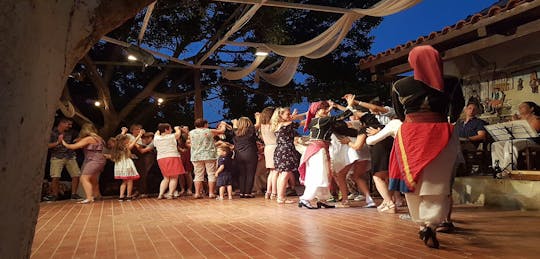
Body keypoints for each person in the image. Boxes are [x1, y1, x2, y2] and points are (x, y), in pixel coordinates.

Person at [389, 45, 464, 249]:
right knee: (437, 182)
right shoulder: (452, 82)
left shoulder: (399, 84)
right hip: (441, 132)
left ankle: (422, 226)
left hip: (410, 134)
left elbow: (399, 113)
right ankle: (431, 223)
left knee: (412, 179)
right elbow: (456, 109)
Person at [297, 95, 355, 209]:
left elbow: (325, 117)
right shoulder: (323, 120)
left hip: (315, 150)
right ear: (317, 110)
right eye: (323, 108)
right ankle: (305, 199)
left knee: (322, 175)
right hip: (318, 151)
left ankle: (322, 199)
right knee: (318, 175)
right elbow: (344, 116)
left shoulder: (314, 120)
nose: (326, 110)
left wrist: (328, 109)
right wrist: (350, 105)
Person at [491, 101, 540, 176]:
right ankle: (499, 168)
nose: (519, 107)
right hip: (519, 140)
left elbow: (533, 131)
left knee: (510, 144)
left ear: (531, 108)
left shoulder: (536, 118)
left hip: (533, 141)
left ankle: (509, 169)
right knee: (496, 144)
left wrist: (516, 122)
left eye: (523, 106)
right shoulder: (519, 118)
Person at [61, 123, 106, 204]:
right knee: (93, 179)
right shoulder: (99, 138)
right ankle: (97, 195)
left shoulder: (89, 138)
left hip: (93, 160)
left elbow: (73, 147)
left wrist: (63, 142)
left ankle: (89, 198)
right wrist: (80, 140)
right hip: (99, 159)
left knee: (84, 178)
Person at [271, 107, 304, 204]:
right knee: (285, 174)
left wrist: (292, 117)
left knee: (282, 174)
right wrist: (298, 116)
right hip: (286, 151)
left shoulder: (279, 125)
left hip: (280, 150)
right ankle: (281, 197)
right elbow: (303, 123)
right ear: (280, 115)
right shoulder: (287, 124)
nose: (290, 116)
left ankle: (280, 197)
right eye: (287, 114)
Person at [44, 117, 82, 202]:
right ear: (62, 123)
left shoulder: (71, 132)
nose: (70, 126)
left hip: (70, 156)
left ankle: (74, 194)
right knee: (55, 176)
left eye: (71, 124)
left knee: (76, 175)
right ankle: (54, 195)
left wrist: (79, 139)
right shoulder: (52, 132)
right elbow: (47, 145)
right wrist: (57, 142)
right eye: (69, 124)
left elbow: (80, 136)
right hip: (57, 156)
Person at [189, 119, 226, 198]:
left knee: (198, 175)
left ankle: (197, 193)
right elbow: (222, 131)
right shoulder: (209, 131)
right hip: (209, 155)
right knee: (211, 174)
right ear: (205, 124)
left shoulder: (191, 132)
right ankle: (211, 193)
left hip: (196, 156)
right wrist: (223, 124)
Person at [154, 123, 185, 199]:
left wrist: (160, 129)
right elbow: (178, 134)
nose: (171, 130)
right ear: (166, 130)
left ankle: (160, 194)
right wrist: (177, 128)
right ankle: (170, 194)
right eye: (170, 128)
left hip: (161, 158)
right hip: (172, 157)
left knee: (166, 177)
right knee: (174, 177)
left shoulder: (156, 138)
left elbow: (157, 133)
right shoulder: (171, 136)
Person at [229, 117, 259, 198]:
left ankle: (242, 192)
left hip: (238, 155)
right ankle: (247, 193)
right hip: (250, 154)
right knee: (250, 174)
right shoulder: (250, 131)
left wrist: (235, 123)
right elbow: (258, 124)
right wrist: (258, 117)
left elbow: (234, 128)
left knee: (242, 175)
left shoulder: (235, 132)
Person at [111, 130, 142, 201]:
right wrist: (139, 135)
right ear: (124, 141)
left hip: (120, 165)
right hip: (127, 164)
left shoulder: (116, 148)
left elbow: (118, 139)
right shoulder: (126, 148)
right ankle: (128, 195)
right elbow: (134, 143)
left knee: (124, 181)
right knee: (130, 181)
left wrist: (123, 132)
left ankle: (121, 196)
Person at [255, 107, 278, 200]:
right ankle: (274, 192)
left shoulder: (262, 126)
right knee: (276, 172)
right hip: (275, 148)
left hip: (267, 148)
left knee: (272, 172)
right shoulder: (273, 125)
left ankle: (268, 191)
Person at [134, 131, 156, 198]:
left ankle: (144, 192)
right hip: (150, 161)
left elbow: (142, 151)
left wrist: (135, 144)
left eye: (146, 138)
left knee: (145, 175)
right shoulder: (150, 143)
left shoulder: (153, 143)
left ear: (150, 138)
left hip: (153, 161)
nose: (144, 140)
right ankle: (142, 191)